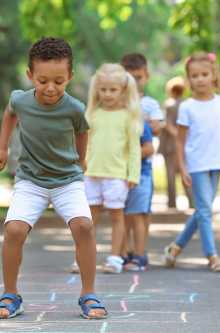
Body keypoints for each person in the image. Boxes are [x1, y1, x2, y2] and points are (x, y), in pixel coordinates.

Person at [0, 37, 107, 319]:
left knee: (84, 226)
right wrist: (3, 148)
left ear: (70, 77)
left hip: (67, 180)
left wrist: (81, 159)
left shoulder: (74, 108)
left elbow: (82, 131)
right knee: (14, 230)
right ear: (30, 75)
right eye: (42, 81)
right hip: (31, 180)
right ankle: (9, 294)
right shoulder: (20, 100)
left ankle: (88, 294)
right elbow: (9, 114)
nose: (51, 88)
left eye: (59, 81)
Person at [163, 52, 220, 273]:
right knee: (205, 211)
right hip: (196, 164)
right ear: (189, 79)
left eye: (204, 74)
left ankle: (175, 248)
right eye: (195, 75)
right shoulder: (187, 107)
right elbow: (180, 141)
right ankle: (212, 256)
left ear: (213, 75)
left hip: (217, 163)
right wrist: (183, 166)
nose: (200, 79)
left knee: (202, 212)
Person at [69, 64, 141, 275]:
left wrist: (133, 173)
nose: (107, 94)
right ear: (97, 90)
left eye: (113, 90)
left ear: (122, 90)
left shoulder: (128, 116)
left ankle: (115, 258)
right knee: (87, 219)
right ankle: (82, 258)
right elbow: (84, 143)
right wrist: (78, 167)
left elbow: (134, 148)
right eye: (103, 89)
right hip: (91, 174)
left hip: (117, 175)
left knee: (117, 218)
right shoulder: (92, 114)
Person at [120, 53, 164, 268]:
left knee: (140, 213)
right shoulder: (117, 102)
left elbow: (156, 127)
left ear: (145, 76)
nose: (133, 83)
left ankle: (140, 253)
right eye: (128, 78)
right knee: (123, 213)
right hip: (119, 168)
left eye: (137, 78)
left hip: (142, 169)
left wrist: (142, 120)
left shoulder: (149, 103)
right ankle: (124, 252)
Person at [122, 119, 154, 271]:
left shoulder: (139, 123)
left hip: (141, 175)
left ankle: (139, 256)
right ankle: (124, 253)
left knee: (137, 215)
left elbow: (149, 148)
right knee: (122, 216)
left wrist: (125, 155)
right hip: (118, 175)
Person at [160, 76, 193, 209]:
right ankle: (192, 201)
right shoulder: (188, 104)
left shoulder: (169, 105)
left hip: (170, 145)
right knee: (185, 173)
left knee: (170, 175)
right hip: (185, 145)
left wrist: (176, 136)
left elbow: (168, 124)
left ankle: (172, 203)